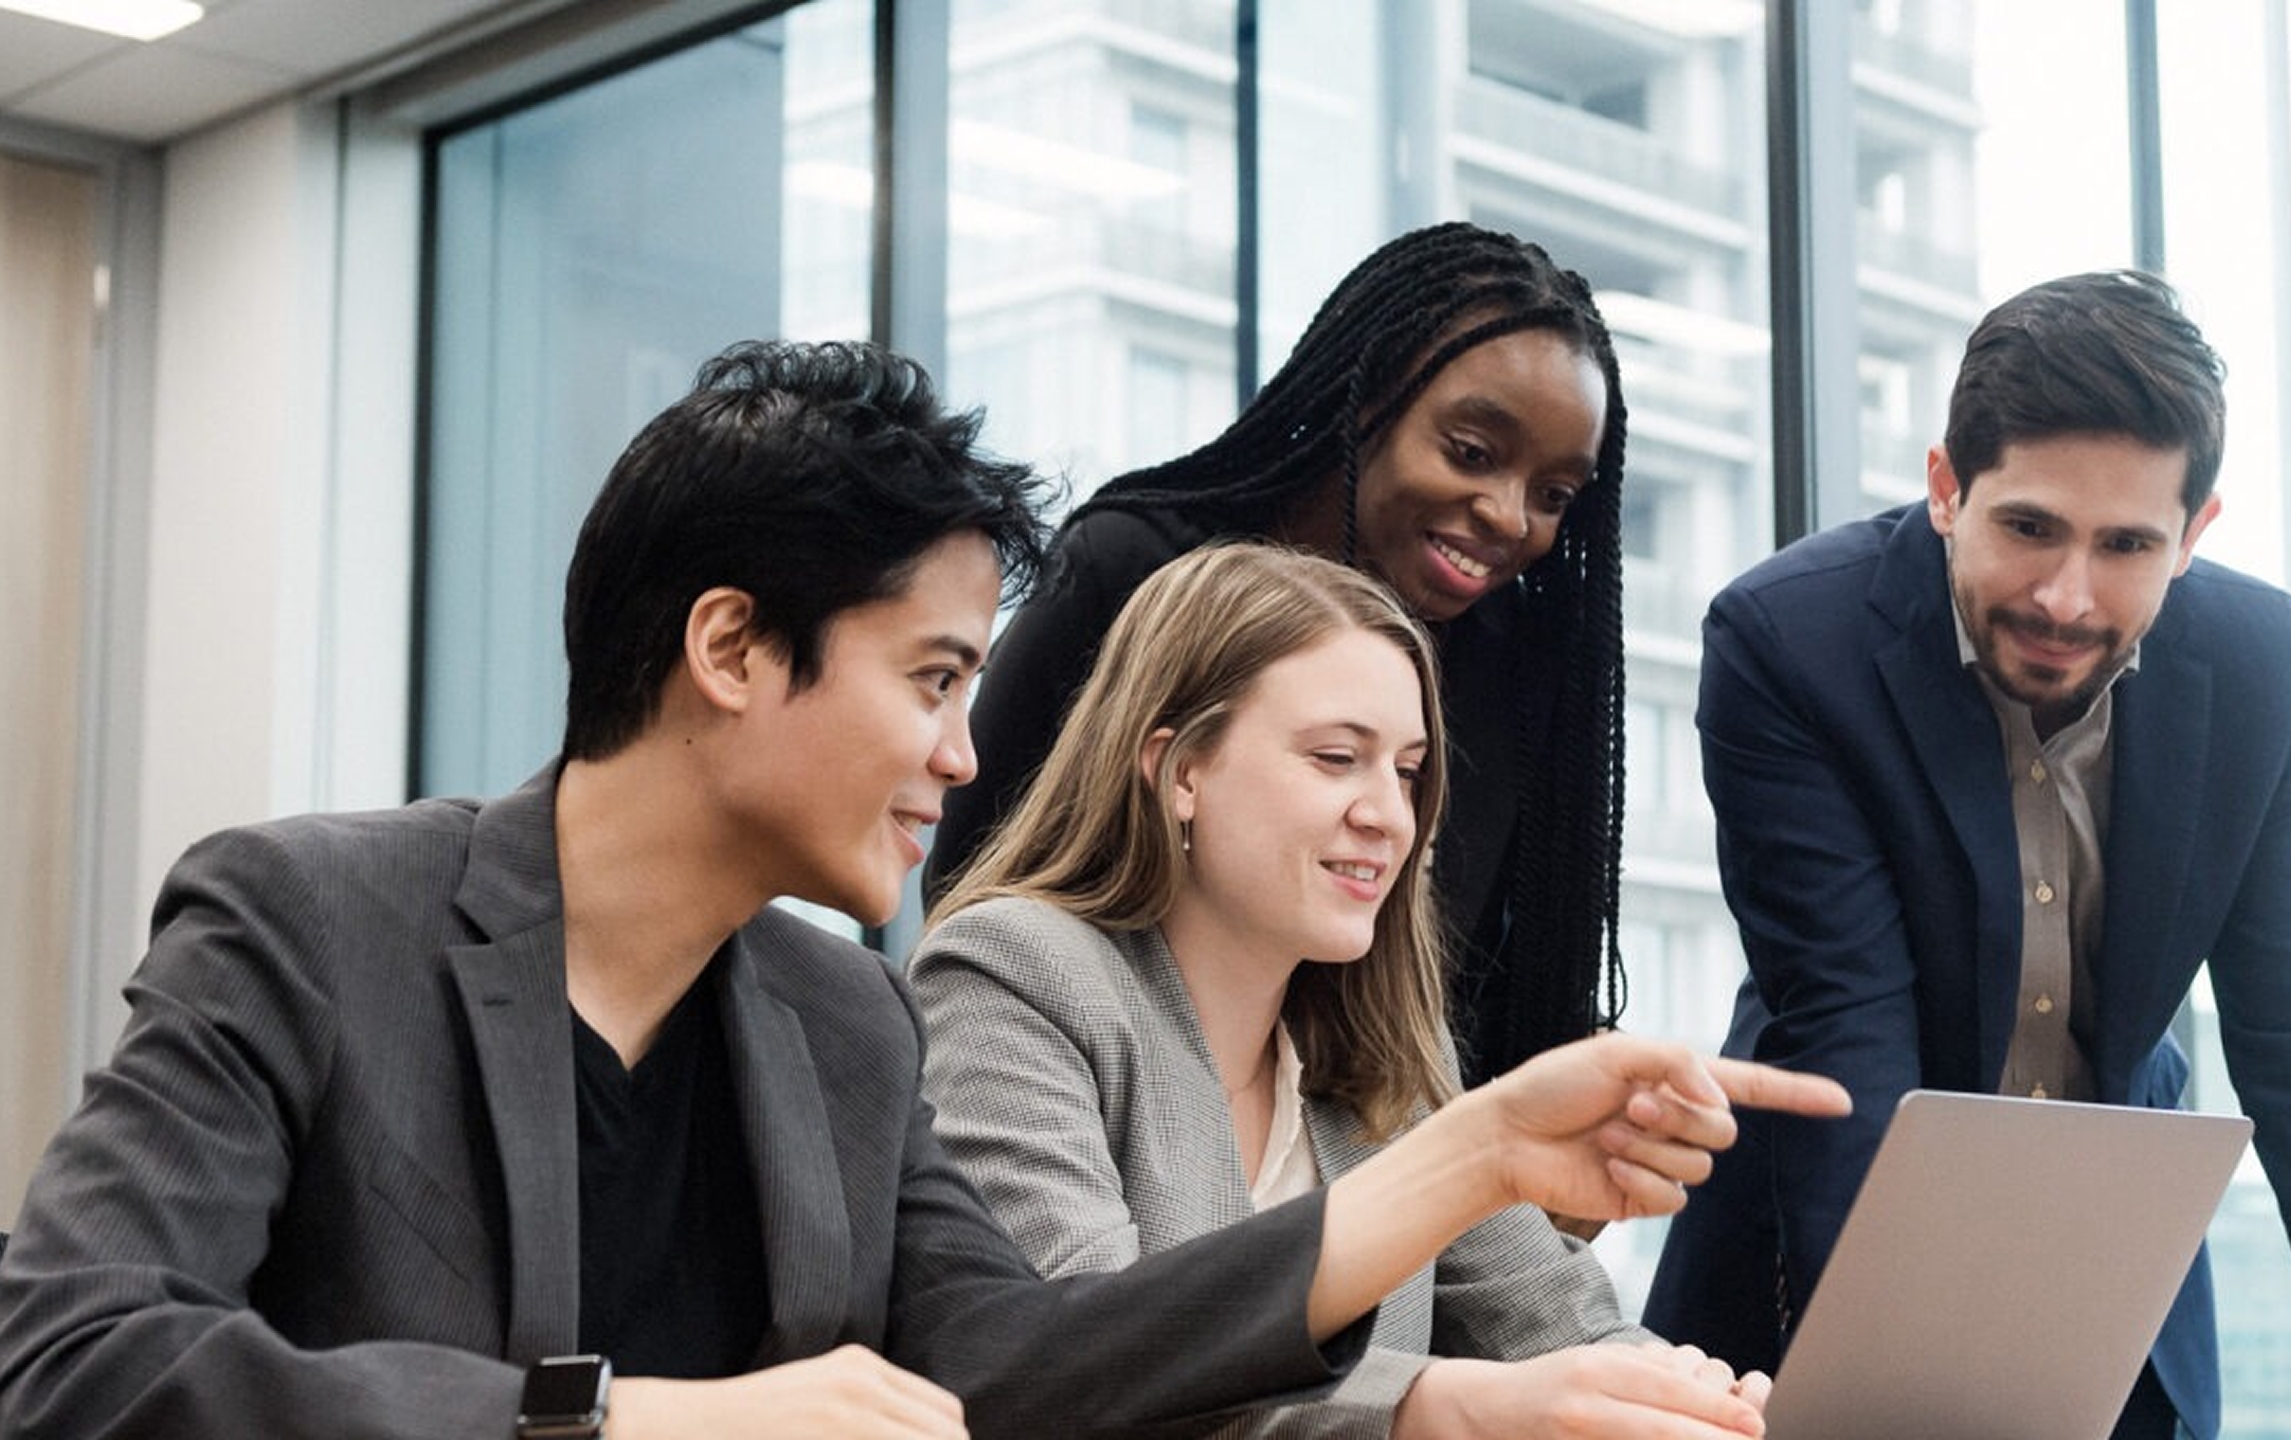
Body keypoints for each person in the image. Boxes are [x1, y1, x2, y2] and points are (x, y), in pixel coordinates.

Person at [0, 340, 1783, 1440]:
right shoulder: (305, 923)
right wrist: (619, 1424)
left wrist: (1463, 1161)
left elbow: (1029, 1371)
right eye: (932, 681)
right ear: (730, 649)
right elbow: (71, 1360)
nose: (961, 754)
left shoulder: (842, 1020)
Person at [1638, 272, 2291, 1440]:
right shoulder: (1788, 642)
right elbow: (1844, 1024)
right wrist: (1905, 1387)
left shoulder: (2264, 668)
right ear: (1943, 489)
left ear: (2194, 534)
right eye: (2028, 527)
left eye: (2126, 544)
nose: (2066, 596)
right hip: (1809, 1292)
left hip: (2117, 1308)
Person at [915, 542, 1853, 1440]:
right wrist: (1437, 1407)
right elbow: (1076, 1377)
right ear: (1179, 768)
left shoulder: (1382, 1040)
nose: (1387, 816)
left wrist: (1692, 1403)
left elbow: (1555, 1326)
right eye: (1335, 758)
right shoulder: (1015, 974)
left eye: (1406, 772)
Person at [925, 220, 1629, 1085]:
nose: (1510, 517)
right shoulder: (1132, 573)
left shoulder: (1511, 661)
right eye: (1471, 454)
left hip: (1383, 1147)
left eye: (1553, 494)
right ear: (1368, 398)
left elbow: (1480, 990)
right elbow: (972, 886)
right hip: (1101, 1111)